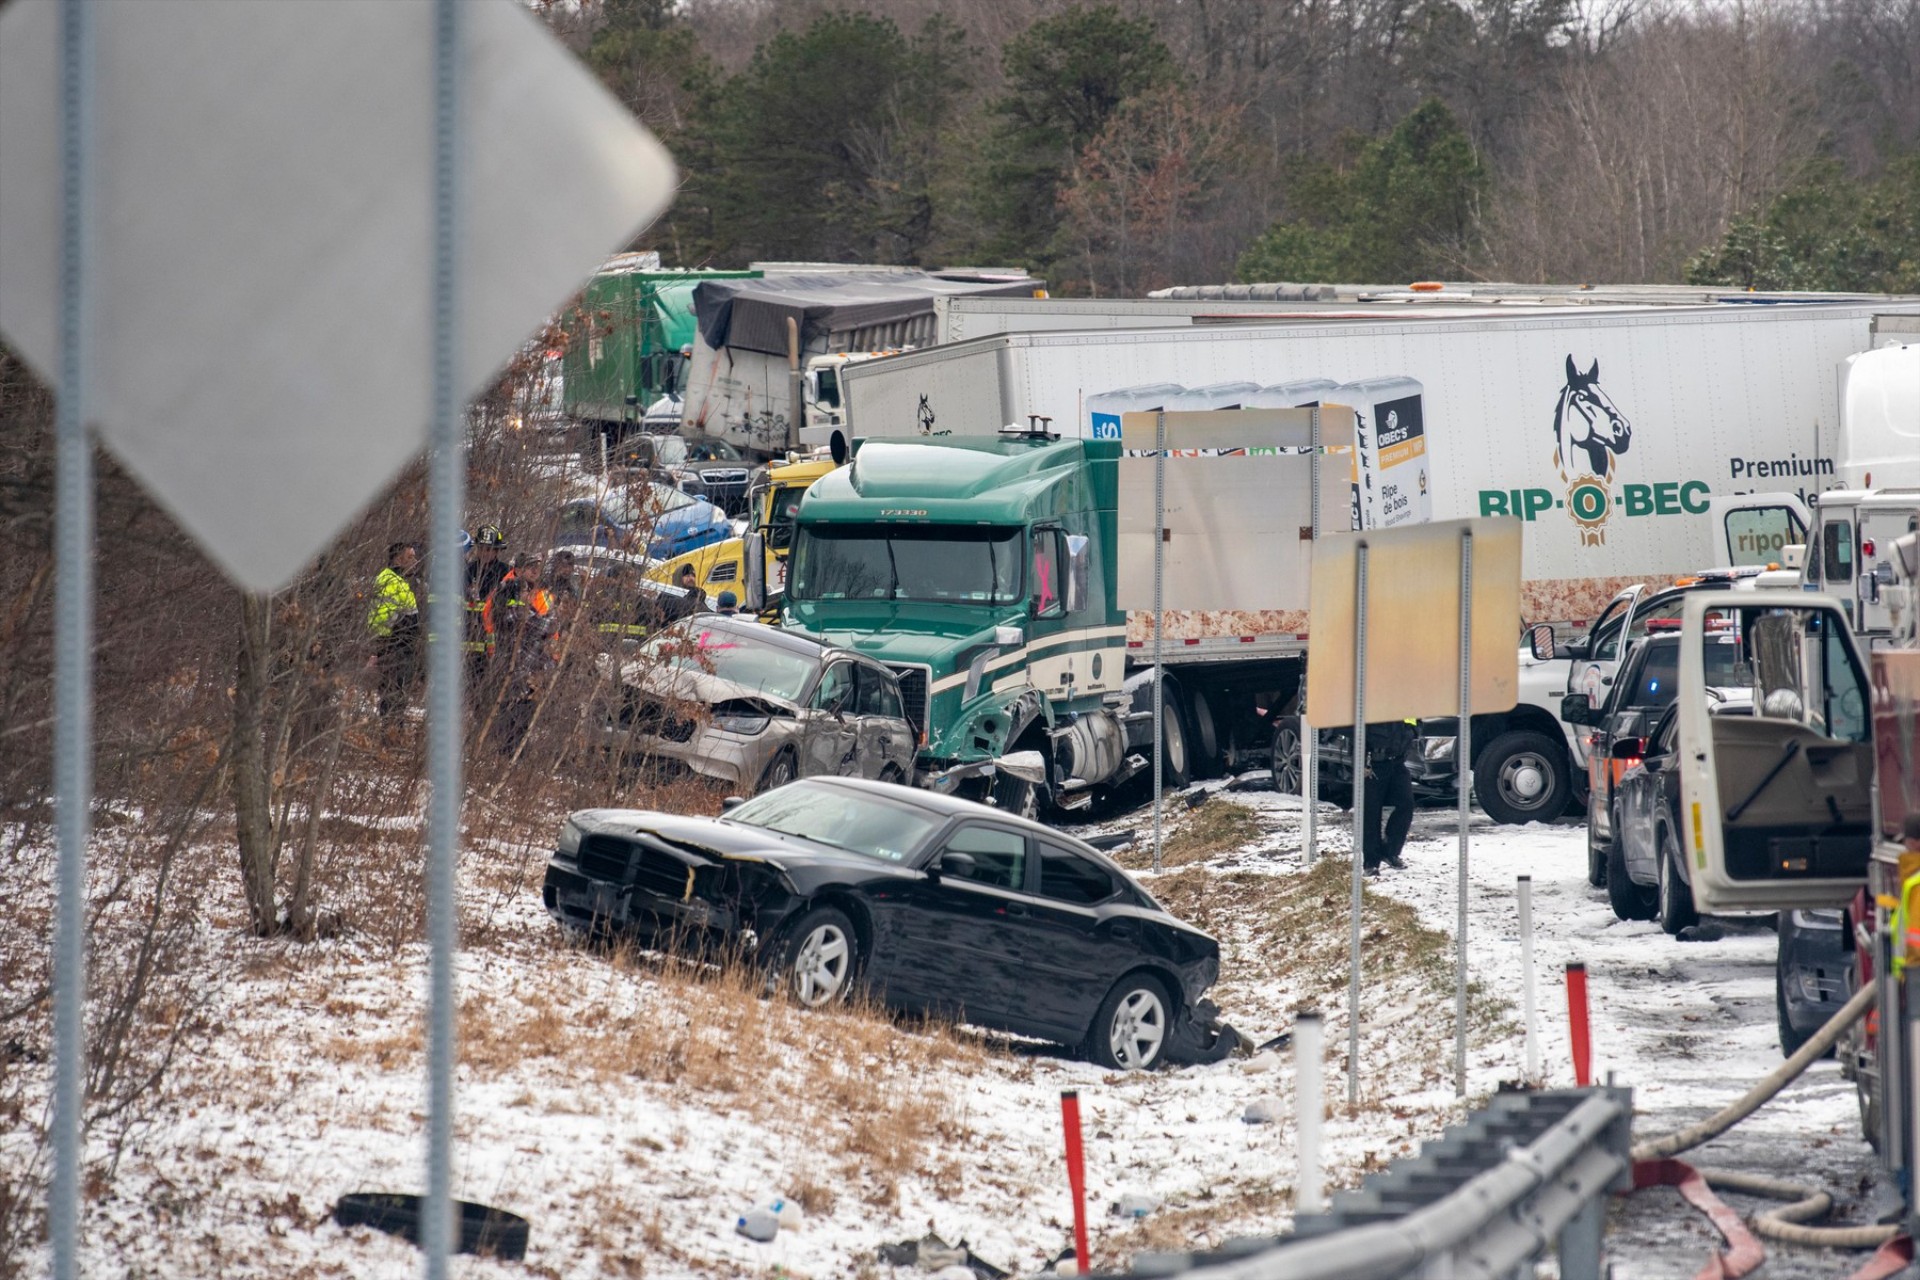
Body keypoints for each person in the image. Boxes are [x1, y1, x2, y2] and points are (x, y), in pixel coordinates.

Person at [366, 541, 421, 724]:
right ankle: (388, 735)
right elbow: (383, 619)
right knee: (391, 696)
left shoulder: (401, 581)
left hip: (402, 649)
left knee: (399, 696)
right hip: (392, 647)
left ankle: (393, 733)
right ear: (398, 559)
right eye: (410, 557)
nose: (415, 561)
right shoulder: (389, 580)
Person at [1361, 718, 1419, 873]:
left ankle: (1390, 852)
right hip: (1374, 764)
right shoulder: (1373, 703)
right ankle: (1371, 862)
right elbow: (1358, 733)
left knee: (1406, 805)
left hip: (1398, 762)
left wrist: (1413, 732)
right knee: (1371, 813)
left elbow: (1415, 721)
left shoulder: (1403, 704)